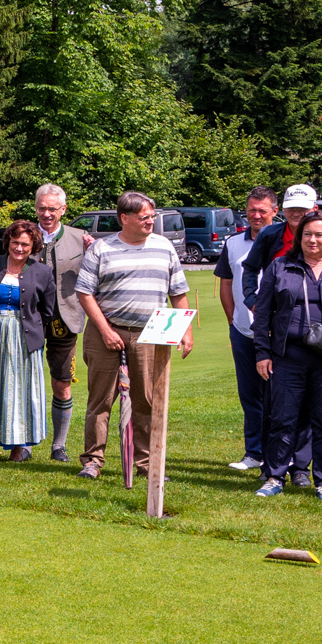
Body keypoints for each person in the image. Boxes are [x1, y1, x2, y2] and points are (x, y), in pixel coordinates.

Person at [73, 192, 191, 483]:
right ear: (124, 218)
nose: (150, 221)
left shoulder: (164, 247)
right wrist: (106, 331)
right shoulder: (101, 248)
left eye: (152, 216)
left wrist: (185, 331)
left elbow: (178, 292)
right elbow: (84, 293)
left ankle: (146, 463)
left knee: (146, 400)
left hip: (150, 334)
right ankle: (93, 461)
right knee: (100, 400)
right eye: (144, 217)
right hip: (105, 331)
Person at [251, 208, 322, 501]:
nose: (312, 240)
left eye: (319, 235)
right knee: (282, 419)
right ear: (299, 237)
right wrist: (262, 353)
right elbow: (262, 314)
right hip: (287, 356)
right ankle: (275, 476)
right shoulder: (280, 267)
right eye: (307, 234)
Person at [0, 221, 55, 461]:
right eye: (15, 242)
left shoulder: (43, 272)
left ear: (33, 246)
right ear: (8, 242)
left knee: (20, 390)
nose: (19, 248)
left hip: (24, 338)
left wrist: (29, 330)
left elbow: (47, 311)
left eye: (25, 244)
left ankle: (17, 448)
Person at [212, 188, 279, 471]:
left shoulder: (286, 241)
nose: (256, 215)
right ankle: (254, 453)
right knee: (250, 395)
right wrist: (232, 320)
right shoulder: (233, 243)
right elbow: (226, 283)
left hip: (279, 333)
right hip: (243, 331)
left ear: (275, 211)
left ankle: (281, 454)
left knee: (279, 396)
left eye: (263, 210)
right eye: (252, 210)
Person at [30, 183, 92, 461]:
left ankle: (59, 445)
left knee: (62, 383)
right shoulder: (23, 235)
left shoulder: (81, 238)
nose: (47, 214)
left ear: (63, 209)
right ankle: (24, 443)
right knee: (26, 382)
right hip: (28, 318)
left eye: (52, 209)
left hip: (66, 320)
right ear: (36, 209)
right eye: (42, 208)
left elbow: (95, 276)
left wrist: (93, 252)